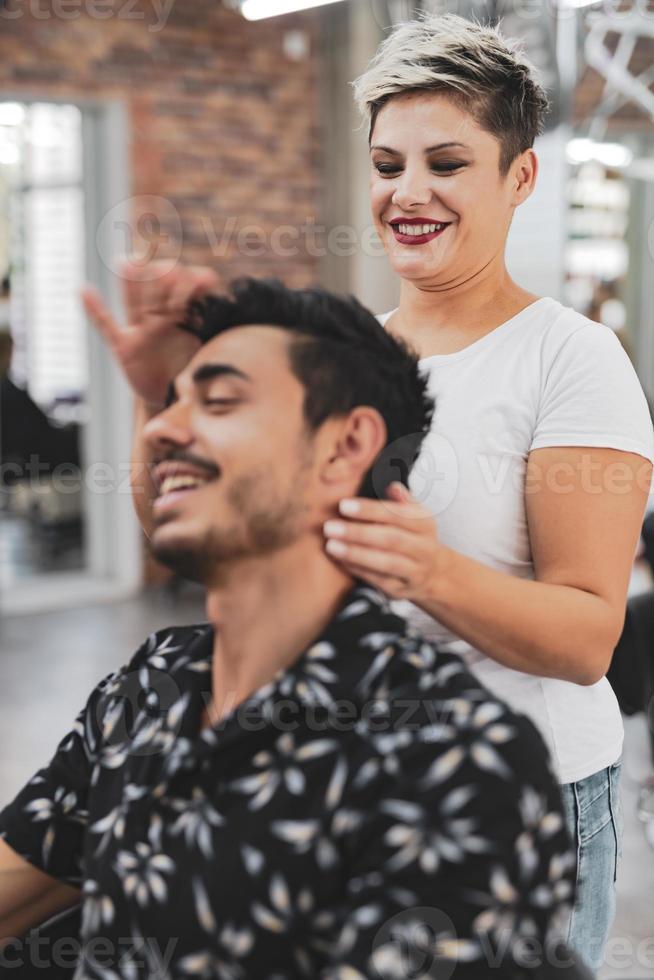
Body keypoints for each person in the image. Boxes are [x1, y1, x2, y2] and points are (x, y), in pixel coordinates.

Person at [0, 277, 575, 979]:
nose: (159, 427)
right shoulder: (152, 686)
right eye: (168, 403)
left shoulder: (451, 760)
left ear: (344, 447)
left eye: (219, 401)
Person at [319, 13, 651, 973]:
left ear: (520, 179)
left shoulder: (571, 358)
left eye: (446, 164)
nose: (407, 193)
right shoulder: (349, 356)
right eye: (388, 166)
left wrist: (424, 569)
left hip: (523, 805)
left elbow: (588, 637)